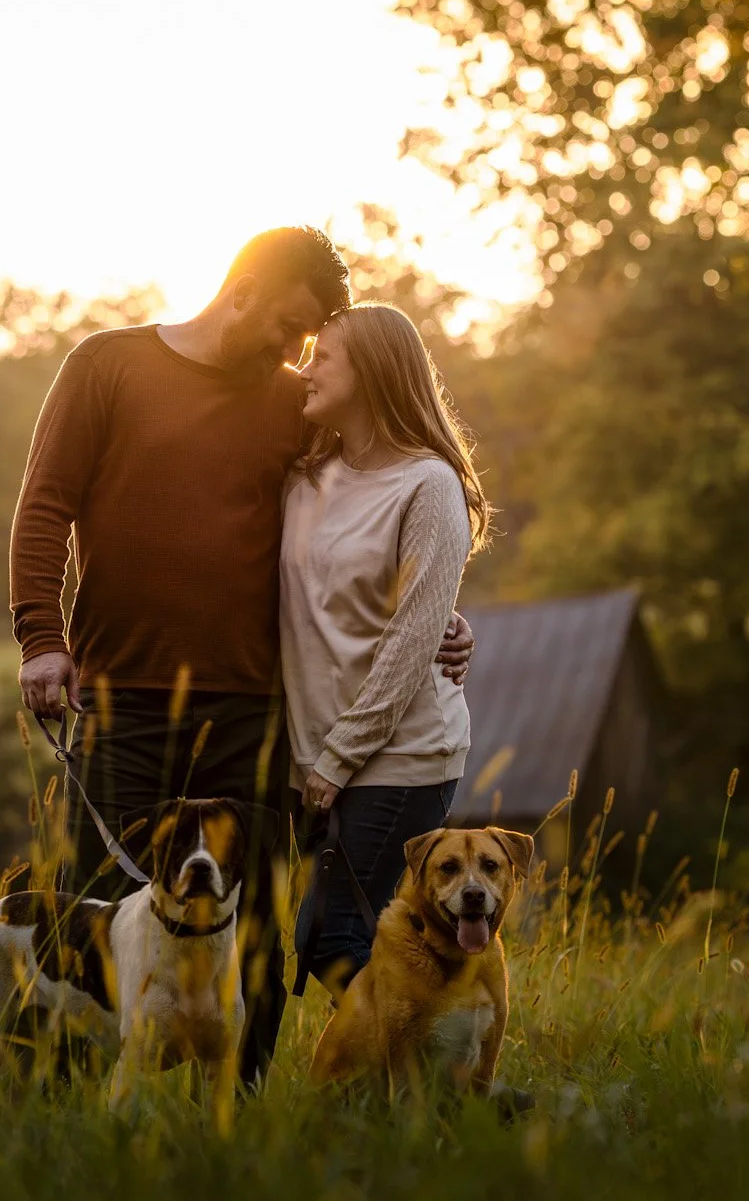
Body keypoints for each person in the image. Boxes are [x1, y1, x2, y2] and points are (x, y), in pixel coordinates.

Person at [9, 225, 474, 1089]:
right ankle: (79, 1093)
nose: (295, 351)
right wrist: (42, 636)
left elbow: (380, 514)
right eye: (289, 324)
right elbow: (44, 505)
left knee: (253, 913)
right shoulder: (106, 364)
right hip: (123, 698)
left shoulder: (293, 406)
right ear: (245, 285)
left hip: (255, 713)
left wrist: (445, 617)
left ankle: (244, 1094)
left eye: (310, 339)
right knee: (96, 904)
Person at [282, 302, 493, 995]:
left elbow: (411, 639)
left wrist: (338, 757)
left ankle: (440, 1073)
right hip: (322, 753)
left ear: (370, 372)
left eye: (323, 356)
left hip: (399, 755)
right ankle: (434, 1084)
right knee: (343, 930)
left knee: (330, 930)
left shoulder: (429, 485)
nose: (305, 370)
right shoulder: (308, 475)